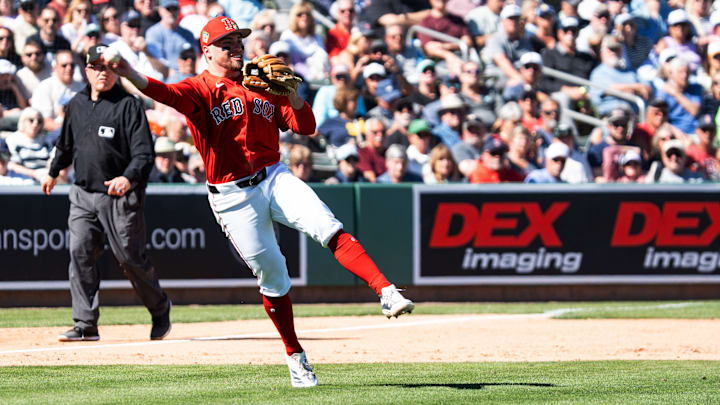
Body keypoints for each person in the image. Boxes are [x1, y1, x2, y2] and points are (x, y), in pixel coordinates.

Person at [107, 17, 414, 388]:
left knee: (326, 225)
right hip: (233, 197)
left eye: (238, 40)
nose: (236, 47)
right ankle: (295, 356)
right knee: (274, 276)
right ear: (207, 51)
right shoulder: (200, 89)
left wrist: (293, 94)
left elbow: (305, 126)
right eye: (227, 43)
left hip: (274, 174)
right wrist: (127, 72)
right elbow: (162, 92)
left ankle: (385, 290)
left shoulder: (262, 81)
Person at [40, 44, 172, 343]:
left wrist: (127, 178)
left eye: (109, 67)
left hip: (120, 197)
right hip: (83, 193)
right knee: (80, 252)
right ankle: (85, 323)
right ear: (86, 70)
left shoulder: (129, 105)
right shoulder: (76, 103)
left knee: (129, 258)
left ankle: (160, 307)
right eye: (97, 67)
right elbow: (65, 145)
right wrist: (52, 171)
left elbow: (144, 154)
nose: (103, 73)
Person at [31, 50, 85, 132]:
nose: (69, 68)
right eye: (64, 65)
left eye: (72, 65)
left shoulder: (83, 88)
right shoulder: (45, 87)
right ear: (55, 68)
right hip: (54, 135)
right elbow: (45, 122)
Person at [5, 107, 52, 182]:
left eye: (39, 121)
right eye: (31, 120)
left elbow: (52, 161)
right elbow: (12, 165)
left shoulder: (46, 139)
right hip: (22, 179)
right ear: (23, 121)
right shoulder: (13, 139)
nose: (35, 124)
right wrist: (33, 173)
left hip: (45, 176)